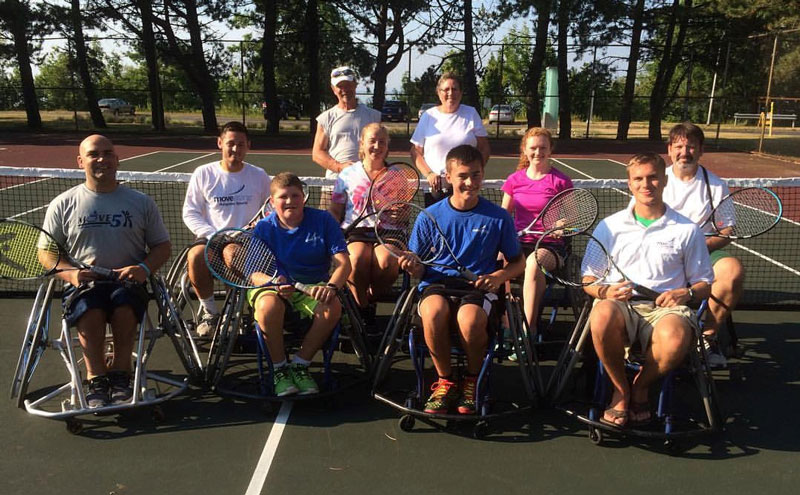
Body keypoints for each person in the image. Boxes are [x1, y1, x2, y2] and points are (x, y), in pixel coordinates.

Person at [39, 134, 172, 408]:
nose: (102, 159)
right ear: (80, 161)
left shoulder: (141, 202)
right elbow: (47, 253)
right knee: (90, 310)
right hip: (84, 285)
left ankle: (122, 374)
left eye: (108, 153)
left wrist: (144, 268)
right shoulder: (63, 204)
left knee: (124, 309)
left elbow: (162, 246)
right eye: (94, 154)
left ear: (117, 159)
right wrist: (71, 275)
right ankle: (96, 378)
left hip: (128, 283)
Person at [582, 153, 712, 427]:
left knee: (676, 337)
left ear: (664, 181)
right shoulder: (609, 226)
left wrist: (684, 294)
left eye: (653, 177)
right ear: (629, 184)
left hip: (667, 310)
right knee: (601, 315)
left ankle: (641, 387)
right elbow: (588, 280)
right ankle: (621, 390)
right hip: (621, 305)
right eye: (638, 179)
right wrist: (606, 293)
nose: (646, 184)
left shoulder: (687, 229)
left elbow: (704, 285)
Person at [398, 145, 524, 415]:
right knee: (433, 312)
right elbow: (418, 265)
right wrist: (412, 266)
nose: (470, 182)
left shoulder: (498, 217)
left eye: (476, 175)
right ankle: (445, 381)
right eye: (463, 176)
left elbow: (518, 262)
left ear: (483, 175)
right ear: (449, 176)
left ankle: (471, 380)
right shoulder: (428, 216)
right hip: (437, 286)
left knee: (469, 319)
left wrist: (498, 276)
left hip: (478, 290)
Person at [248, 172, 351, 396]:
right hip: (271, 286)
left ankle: (300, 365)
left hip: (312, 286)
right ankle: (279, 370)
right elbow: (254, 273)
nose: (290, 201)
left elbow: (344, 264)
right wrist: (273, 283)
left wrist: (331, 287)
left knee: (332, 307)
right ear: (272, 201)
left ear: (303, 197)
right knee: (268, 307)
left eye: (295, 195)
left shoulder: (323, 220)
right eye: (283, 196)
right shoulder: (264, 228)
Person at [661, 122, 745, 368]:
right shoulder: (656, 179)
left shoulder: (716, 185)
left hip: (705, 251)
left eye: (690, 147)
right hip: (661, 251)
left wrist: (699, 246)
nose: (684, 152)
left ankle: (707, 338)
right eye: (679, 146)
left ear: (700, 150)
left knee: (732, 271)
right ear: (669, 149)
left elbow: (728, 230)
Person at [182, 121, 271, 336]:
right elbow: (190, 212)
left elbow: (270, 210)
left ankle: (236, 313)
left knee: (233, 255)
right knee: (195, 256)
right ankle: (210, 313)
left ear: (248, 146)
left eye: (241, 145)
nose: (235, 149)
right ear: (220, 143)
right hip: (211, 236)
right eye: (231, 143)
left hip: (247, 238)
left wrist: (255, 227)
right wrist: (213, 234)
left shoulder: (259, 175)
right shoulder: (203, 173)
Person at [501, 127, 573, 334]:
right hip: (518, 242)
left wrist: (562, 223)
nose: (538, 152)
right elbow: (504, 216)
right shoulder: (514, 180)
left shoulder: (561, 181)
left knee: (534, 263)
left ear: (550, 150)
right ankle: (506, 322)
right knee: (496, 260)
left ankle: (527, 330)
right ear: (524, 150)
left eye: (543, 147)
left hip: (550, 247)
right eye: (533, 148)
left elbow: (574, 216)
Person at [329, 123, 400, 315]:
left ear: (387, 146)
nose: (377, 146)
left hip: (389, 231)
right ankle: (363, 309)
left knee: (387, 262)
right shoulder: (347, 174)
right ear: (362, 144)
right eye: (372, 141)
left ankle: (371, 297)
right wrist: (331, 230)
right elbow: (336, 209)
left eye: (382, 142)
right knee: (357, 259)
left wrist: (399, 214)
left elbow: (403, 214)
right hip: (356, 230)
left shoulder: (397, 175)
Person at [410, 72, 490, 205]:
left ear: (461, 92)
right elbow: (416, 151)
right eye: (446, 89)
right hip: (435, 190)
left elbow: (484, 147)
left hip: (465, 187)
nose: (450, 93)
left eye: (455, 89)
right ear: (438, 92)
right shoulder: (428, 116)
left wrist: (476, 171)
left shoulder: (471, 113)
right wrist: (429, 174)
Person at [312, 66, 382, 180]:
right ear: (333, 89)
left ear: (355, 85)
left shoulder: (374, 116)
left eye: (348, 85)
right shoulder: (325, 118)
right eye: (340, 86)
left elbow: (381, 148)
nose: (345, 90)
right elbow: (317, 153)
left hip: (366, 184)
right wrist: (339, 167)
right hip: (333, 185)